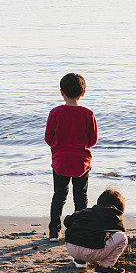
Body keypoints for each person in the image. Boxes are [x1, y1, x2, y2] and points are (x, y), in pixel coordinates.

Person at [45, 73, 98, 241]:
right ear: (83, 93)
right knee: (80, 198)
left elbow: (48, 138)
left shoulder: (55, 113)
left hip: (60, 161)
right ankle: (79, 230)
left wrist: (59, 146)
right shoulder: (88, 114)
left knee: (59, 196)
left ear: (61, 92)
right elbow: (93, 140)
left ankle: (54, 231)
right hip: (81, 162)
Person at [64, 188, 128, 273]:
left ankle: (80, 261)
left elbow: (67, 221)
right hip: (92, 253)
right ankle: (103, 267)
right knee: (122, 237)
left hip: (72, 248)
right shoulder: (115, 217)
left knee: (80, 231)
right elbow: (121, 232)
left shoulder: (86, 211)